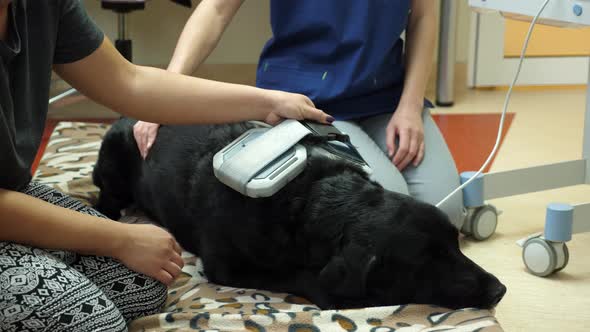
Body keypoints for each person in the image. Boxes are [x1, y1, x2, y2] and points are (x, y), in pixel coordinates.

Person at [0, 0, 332, 331]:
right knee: (96, 322)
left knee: (142, 286)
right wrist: (119, 238)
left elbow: (128, 81)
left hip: (13, 190)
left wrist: (266, 102)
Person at [133, 0, 465, 228]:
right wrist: (168, 91)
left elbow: (423, 14)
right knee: (386, 212)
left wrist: (409, 105)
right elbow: (216, 9)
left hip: (388, 97)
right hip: (304, 101)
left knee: (446, 212)